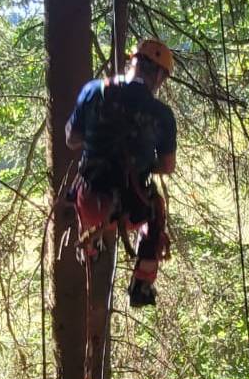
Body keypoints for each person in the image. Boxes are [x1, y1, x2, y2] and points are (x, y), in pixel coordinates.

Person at [65, 38, 178, 307]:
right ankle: (142, 284)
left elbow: (71, 139)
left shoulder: (95, 90)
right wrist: (144, 161)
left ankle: (90, 249)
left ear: (133, 61)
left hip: (93, 203)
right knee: (156, 210)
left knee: (82, 186)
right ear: (159, 75)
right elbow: (167, 166)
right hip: (133, 207)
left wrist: (98, 139)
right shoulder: (161, 114)